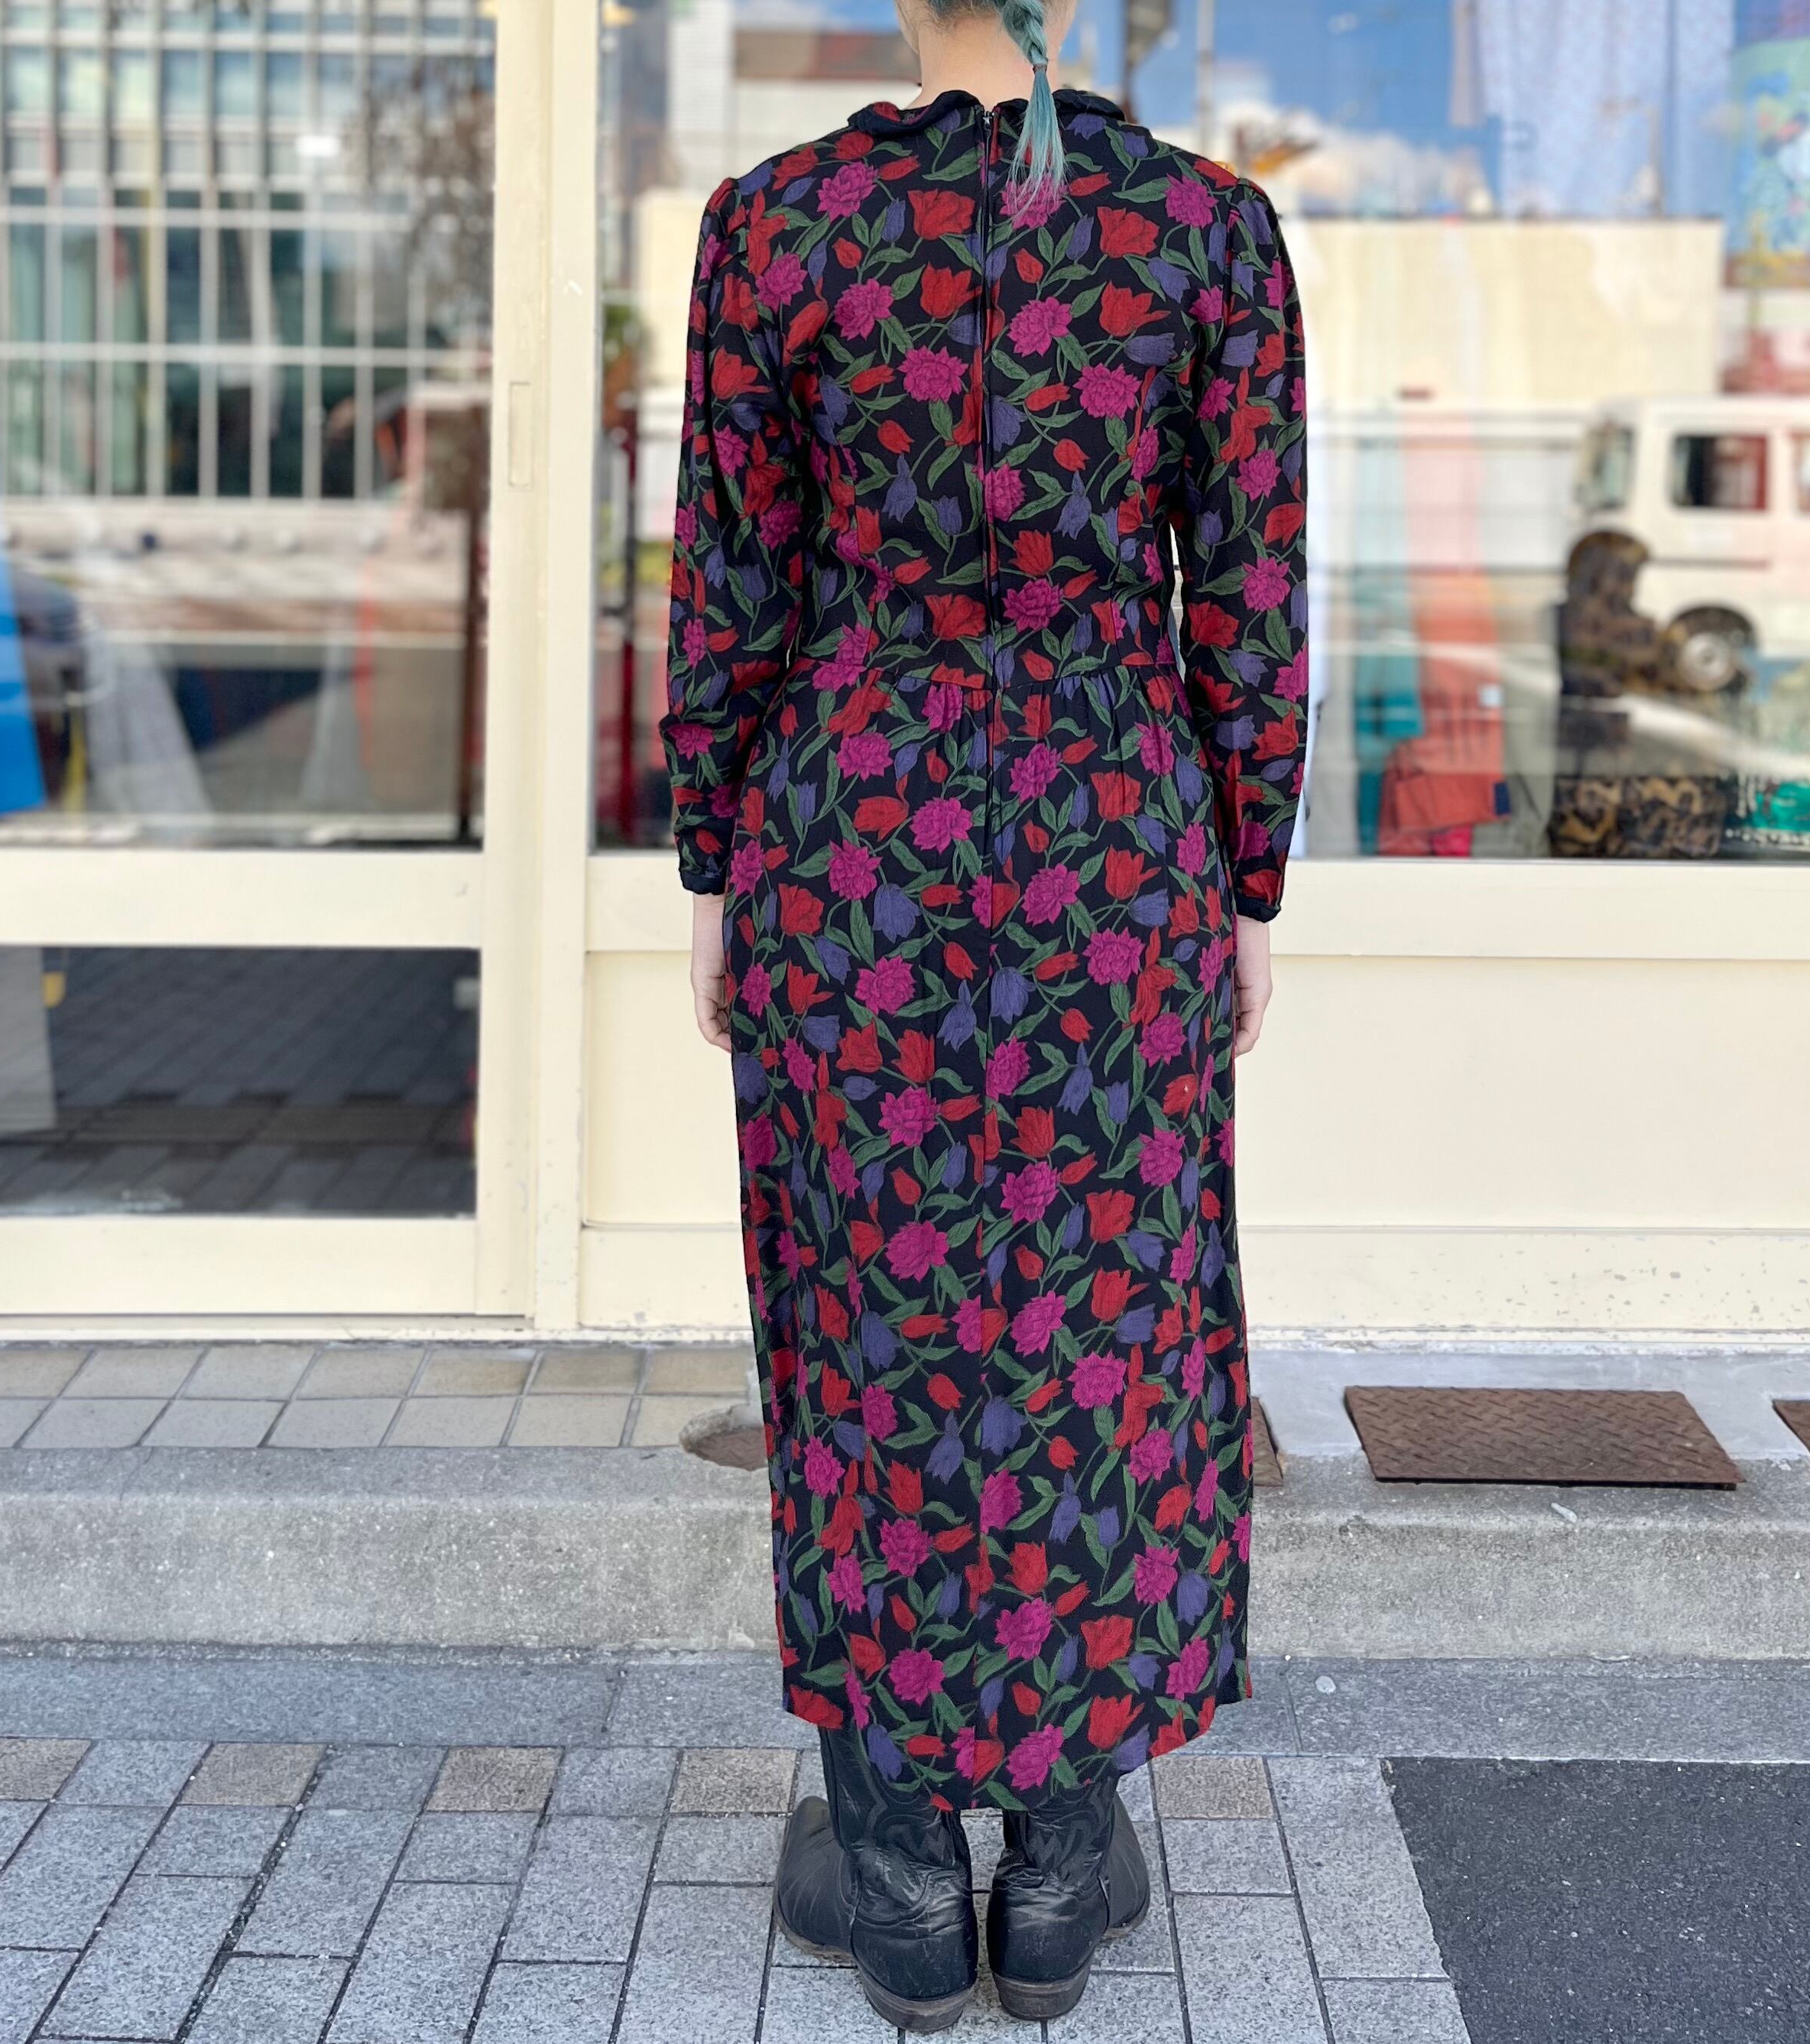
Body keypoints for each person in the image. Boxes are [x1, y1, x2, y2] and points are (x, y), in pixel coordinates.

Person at [661, 0, 1307, 2026]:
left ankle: (895, 1876)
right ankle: (1055, 1864)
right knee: (1099, 1331)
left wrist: (712, 866)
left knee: (863, 1327)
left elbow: (730, 587)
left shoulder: (779, 222)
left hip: (851, 839)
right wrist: (1248, 881)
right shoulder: (1204, 231)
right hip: (1117, 845)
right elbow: (1252, 595)